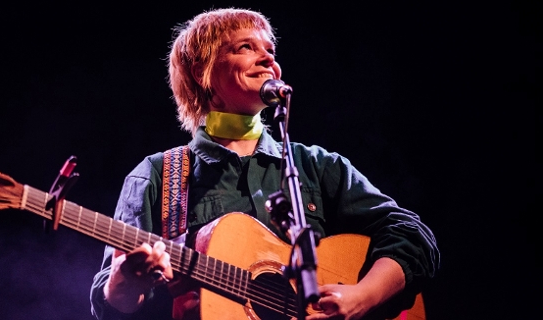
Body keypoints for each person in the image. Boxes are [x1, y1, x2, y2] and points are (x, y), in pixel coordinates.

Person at [89, 7, 439, 320]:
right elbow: (114, 307)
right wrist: (124, 280)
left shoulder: (315, 165)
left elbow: (412, 236)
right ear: (201, 71)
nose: (267, 60)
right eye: (245, 47)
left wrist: (364, 296)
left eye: (270, 51)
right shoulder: (158, 176)